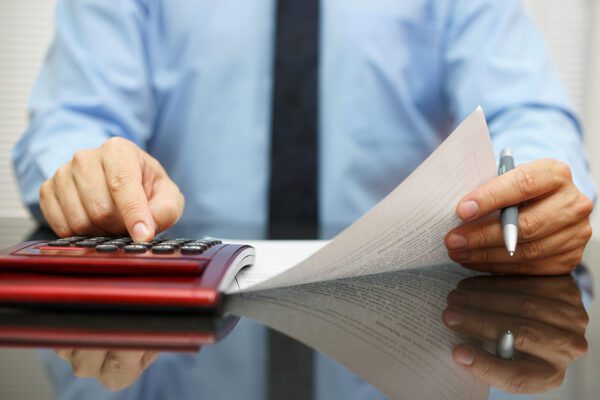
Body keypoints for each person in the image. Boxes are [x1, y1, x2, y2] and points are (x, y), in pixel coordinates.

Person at [12, 0, 596, 398]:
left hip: (413, 312)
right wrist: (90, 173)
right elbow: (77, 118)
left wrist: (533, 188)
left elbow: (527, 112)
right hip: (179, 324)